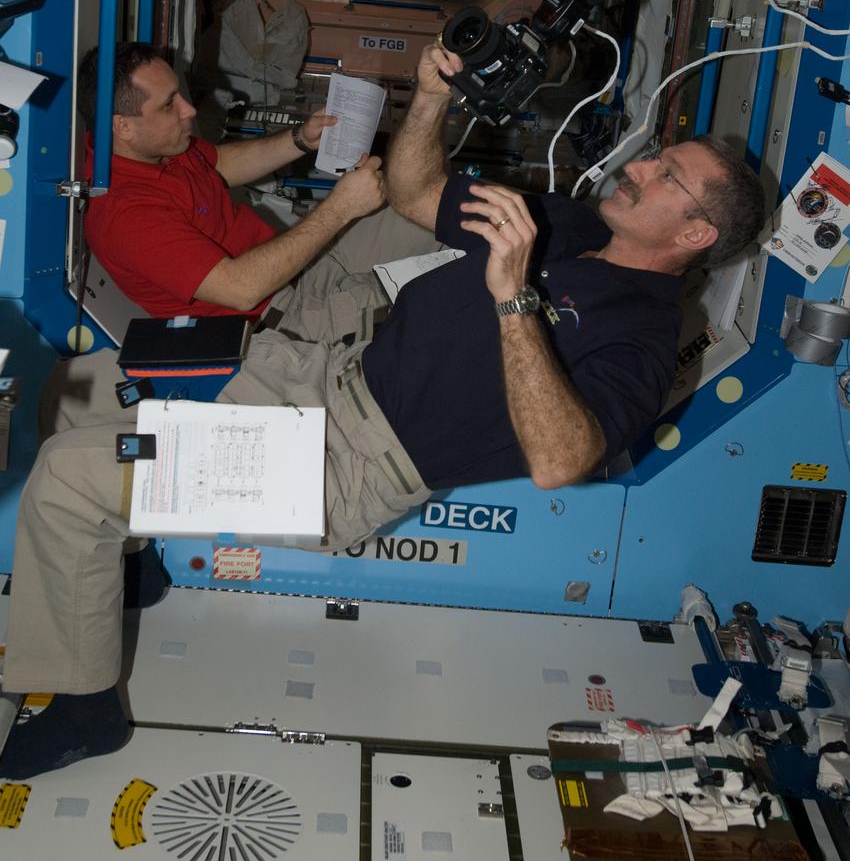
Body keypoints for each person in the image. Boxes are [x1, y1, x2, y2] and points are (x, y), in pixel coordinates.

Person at [0, 42, 766, 780]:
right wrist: (429, 96)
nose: (636, 167)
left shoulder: (642, 336)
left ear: (694, 233)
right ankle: (130, 575)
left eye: (664, 175)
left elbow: (561, 461)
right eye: (654, 157)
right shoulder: (577, 225)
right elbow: (415, 193)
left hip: (341, 467)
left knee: (72, 481)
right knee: (80, 391)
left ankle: (85, 711)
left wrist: (514, 296)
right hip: (319, 372)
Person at [78, 42, 386, 319]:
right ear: (123, 127)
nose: (189, 109)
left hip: (291, 270)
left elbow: (221, 164)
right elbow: (241, 290)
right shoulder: (125, 216)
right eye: (169, 104)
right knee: (417, 299)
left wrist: (299, 139)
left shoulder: (155, 148)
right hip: (275, 321)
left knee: (407, 204)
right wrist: (341, 208)